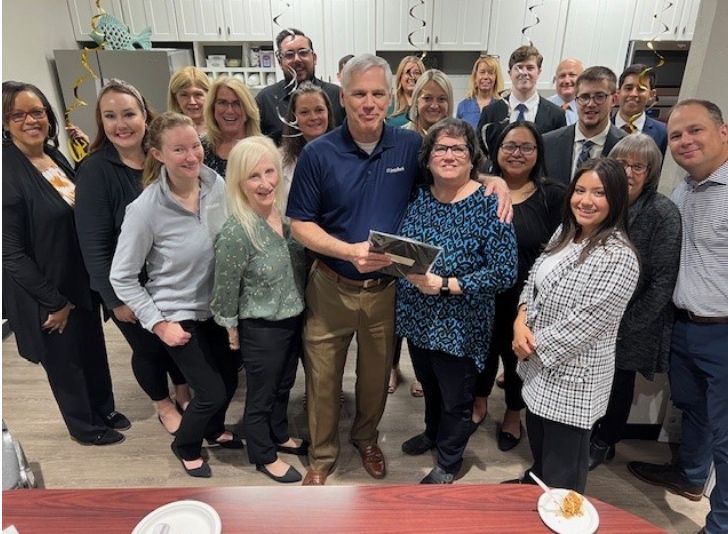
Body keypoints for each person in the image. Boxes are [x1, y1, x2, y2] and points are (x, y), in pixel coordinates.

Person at [287, 54, 511, 487]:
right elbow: (300, 224)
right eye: (358, 94)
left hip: (387, 288)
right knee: (322, 375)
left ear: (390, 97)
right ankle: (322, 455)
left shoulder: (409, 147)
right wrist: (345, 250)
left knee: (374, 377)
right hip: (331, 284)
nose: (368, 103)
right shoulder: (318, 153)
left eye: (376, 93)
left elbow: (451, 169)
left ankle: (367, 439)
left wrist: (492, 179)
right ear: (342, 97)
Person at [110, 112, 242, 478]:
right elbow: (121, 276)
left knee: (229, 380)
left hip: (217, 308)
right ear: (158, 154)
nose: (191, 156)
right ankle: (185, 444)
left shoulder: (217, 185)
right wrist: (158, 323)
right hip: (176, 311)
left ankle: (213, 431)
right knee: (211, 392)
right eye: (179, 149)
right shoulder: (145, 209)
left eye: (196, 145)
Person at [2, 81, 128, 446]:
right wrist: (53, 302)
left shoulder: (52, 156)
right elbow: (10, 254)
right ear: (5, 122)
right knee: (66, 363)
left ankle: (103, 408)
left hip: (78, 280)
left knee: (91, 350)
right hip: (46, 291)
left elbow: (77, 202)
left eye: (37, 111)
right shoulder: (7, 174)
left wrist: (89, 155)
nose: (30, 120)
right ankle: (85, 427)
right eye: (18, 114)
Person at [397, 118, 517, 484]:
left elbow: (505, 271)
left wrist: (449, 284)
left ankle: (449, 461)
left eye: (458, 149)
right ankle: (433, 434)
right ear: (428, 157)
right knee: (429, 386)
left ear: (472, 158)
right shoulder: (417, 197)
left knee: (456, 398)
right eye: (440, 148)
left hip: (460, 325)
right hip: (418, 318)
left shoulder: (489, 203)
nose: (448, 155)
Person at [628, 99, 728, 534]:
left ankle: (720, 524)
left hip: (723, 331)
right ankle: (689, 477)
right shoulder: (685, 189)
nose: (685, 140)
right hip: (686, 326)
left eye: (696, 131)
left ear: (723, 132)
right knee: (693, 410)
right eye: (677, 134)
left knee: (727, 438)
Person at [512, 157, 640, 493]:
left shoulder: (619, 257)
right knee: (540, 450)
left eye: (598, 192)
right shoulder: (567, 232)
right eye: (580, 189)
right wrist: (519, 320)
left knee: (563, 473)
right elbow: (533, 278)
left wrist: (529, 343)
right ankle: (533, 492)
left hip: (573, 379)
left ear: (616, 199)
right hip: (538, 365)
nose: (585, 200)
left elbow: (583, 325)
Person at [75, 79, 190, 435]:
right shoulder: (95, 171)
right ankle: (163, 404)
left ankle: (184, 390)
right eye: (110, 116)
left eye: (128, 113)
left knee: (179, 342)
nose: (120, 124)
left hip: (171, 279)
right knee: (150, 350)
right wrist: (115, 300)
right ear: (101, 122)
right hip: (129, 287)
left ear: (145, 115)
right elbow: (93, 246)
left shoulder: (161, 159)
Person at [211, 136, 308, 484]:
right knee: (261, 395)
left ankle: (279, 434)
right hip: (260, 327)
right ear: (239, 181)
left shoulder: (284, 217)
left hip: (293, 319)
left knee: (284, 385)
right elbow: (224, 288)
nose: (265, 182)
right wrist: (231, 329)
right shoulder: (237, 232)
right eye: (254, 176)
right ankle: (263, 454)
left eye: (270, 172)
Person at [471, 121, 566, 451]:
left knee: (517, 361)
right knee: (481, 355)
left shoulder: (552, 195)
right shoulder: (479, 190)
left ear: (538, 153)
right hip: (481, 295)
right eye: (509, 146)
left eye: (527, 147)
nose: (517, 153)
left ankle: (513, 413)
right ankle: (479, 401)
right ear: (496, 151)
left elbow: (561, 250)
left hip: (527, 300)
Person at [588, 133, 681, 469]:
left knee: (619, 383)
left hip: (632, 323)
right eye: (621, 164)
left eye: (637, 166)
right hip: (594, 315)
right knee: (595, 378)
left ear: (651, 171)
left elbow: (662, 282)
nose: (628, 172)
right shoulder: (602, 203)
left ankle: (605, 441)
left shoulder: (663, 212)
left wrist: (624, 326)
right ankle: (588, 433)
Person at [256, 28, 344, 145]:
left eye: (303, 52)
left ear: (314, 58)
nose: (297, 59)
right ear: (280, 62)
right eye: (289, 55)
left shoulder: (337, 96)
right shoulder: (265, 100)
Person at [477, 45, 566, 158]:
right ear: (510, 73)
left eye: (530, 68)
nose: (524, 72)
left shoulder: (556, 115)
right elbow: (480, 155)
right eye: (519, 67)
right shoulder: (490, 113)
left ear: (539, 72)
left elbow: (559, 156)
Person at [543, 66, 627, 184]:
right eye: (584, 97)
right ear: (575, 100)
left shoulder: (626, 147)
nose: (591, 104)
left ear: (614, 100)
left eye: (599, 97)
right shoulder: (548, 144)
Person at [280, 81, 335, 203]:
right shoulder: (279, 162)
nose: (314, 117)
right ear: (294, 118)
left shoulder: (346, 155)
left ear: (328, 113)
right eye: (304, 112)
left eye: (319, 110)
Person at [201, 76, 261, 177]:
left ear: (247, 110)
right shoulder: (199, 148)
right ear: (212, 108)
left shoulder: (263, 150)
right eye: (222, 103)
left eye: (237, 104)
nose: (230, 110)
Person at [612, 64, 668, 154]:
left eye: (641, 89)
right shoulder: (602, 127)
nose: (633, 94)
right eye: (628, 88)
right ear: (618, 92)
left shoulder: (663, 133)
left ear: (651, 94)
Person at [456, 55, 504, 129]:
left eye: (490, 73)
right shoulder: (463, 106)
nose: (485, 77)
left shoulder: (502, 106)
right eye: (482, 72)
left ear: (496, 78)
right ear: (475, 76)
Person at [403, 69, 454, 136]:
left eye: (441, 99)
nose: (434, 106)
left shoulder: (459, 140)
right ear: (416, 100)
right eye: (427, 98)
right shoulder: (400, 139)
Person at [168, 66, 210, 136]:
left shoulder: (221, 128)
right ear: (175, 98)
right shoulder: (166, 132)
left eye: (198, 94)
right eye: (184, 95)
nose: (192, 102)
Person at [386, 55, 425, 128]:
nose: (412, 77)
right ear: (400, 77)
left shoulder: (426, 103)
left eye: (417, 72)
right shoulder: (389, 102)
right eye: (407, 72)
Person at [547, 58, 584, 126]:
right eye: (562, 76)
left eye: (572, 75)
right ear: (555, 80)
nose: (567, 81)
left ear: (582, 79)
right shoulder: (543, 107)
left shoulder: (588, 109)